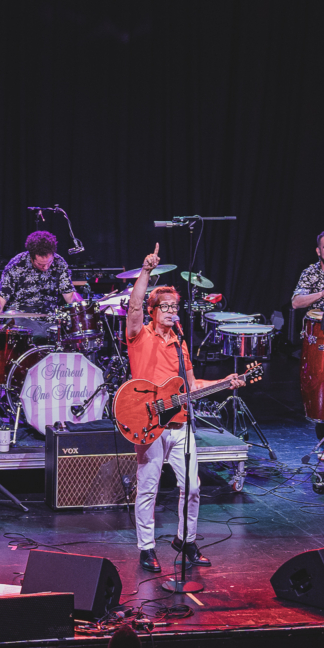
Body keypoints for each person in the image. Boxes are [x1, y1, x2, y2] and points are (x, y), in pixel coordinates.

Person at [126, 244, 243, 573]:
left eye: (173, 307)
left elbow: (190, 387)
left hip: (180, 424)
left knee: (192, 487)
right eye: (163, 306)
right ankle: (146, 548)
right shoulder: (139, 336)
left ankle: (186, 541)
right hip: (150, 425)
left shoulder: (181, 344)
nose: (169, 311)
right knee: (148, 489)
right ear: (153, 310)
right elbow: (134, 305)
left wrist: (225, 382)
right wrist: (146, 270)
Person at [0, 230, 83, 319]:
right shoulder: (16, 264)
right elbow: (2, 296)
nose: (46, 267)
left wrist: (82, 305)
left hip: (50, 320)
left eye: (49, 262)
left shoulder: (59, 263)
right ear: (31, 257)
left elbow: (70, 295)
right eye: (40, 264)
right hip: (21, 320)